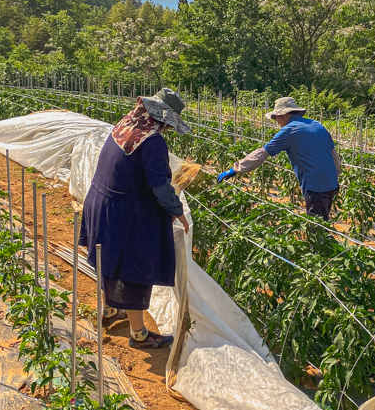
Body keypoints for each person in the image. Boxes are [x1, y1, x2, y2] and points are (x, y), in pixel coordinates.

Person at [78, 88, 190, 349]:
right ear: (164, 119)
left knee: (111, 261)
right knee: (133, 269)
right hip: (124, 212)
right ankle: (138, 333)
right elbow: (160, 186)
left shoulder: (126, 124)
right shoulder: (151, 141)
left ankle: (108, 309)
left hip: (101, 201)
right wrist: (177, 212)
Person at [217, 97, 340, 220]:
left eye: (276, 117)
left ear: (285, 114)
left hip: (315, 187)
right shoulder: (316, 125)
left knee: (317, 230)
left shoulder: (290, 130)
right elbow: (333, 154)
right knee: (323, 220)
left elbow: (262, 153)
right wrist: (334, 176)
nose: (276, 121)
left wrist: (235, 169)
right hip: (331, 183)